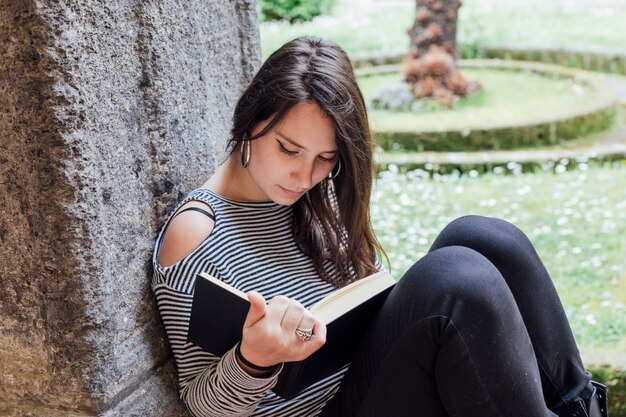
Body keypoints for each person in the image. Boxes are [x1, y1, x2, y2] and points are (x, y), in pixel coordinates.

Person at [151, 36, 608, 417]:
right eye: (289, 149)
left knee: (484, 237)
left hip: (370, 385)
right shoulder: (197, 232)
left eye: (325, 158)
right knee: (454, 283)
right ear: (251, 117)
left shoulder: (305, 195)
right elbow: (201, 403)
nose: (304, 176)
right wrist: (255, 359)